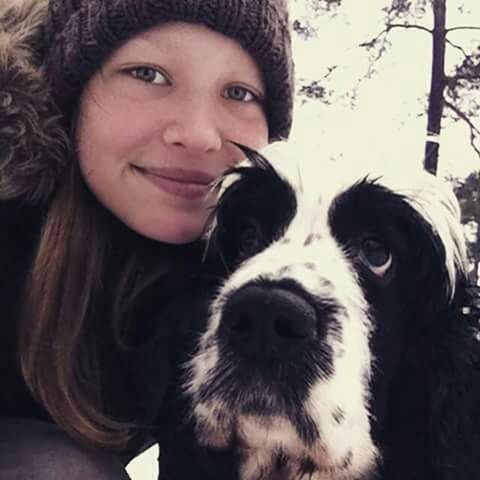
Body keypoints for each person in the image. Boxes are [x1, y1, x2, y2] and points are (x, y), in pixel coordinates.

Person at [0, 0, 294, 478]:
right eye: (149, 74)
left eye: (238, 92)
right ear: (71, 90)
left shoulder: (247, 278)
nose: (198, 135)